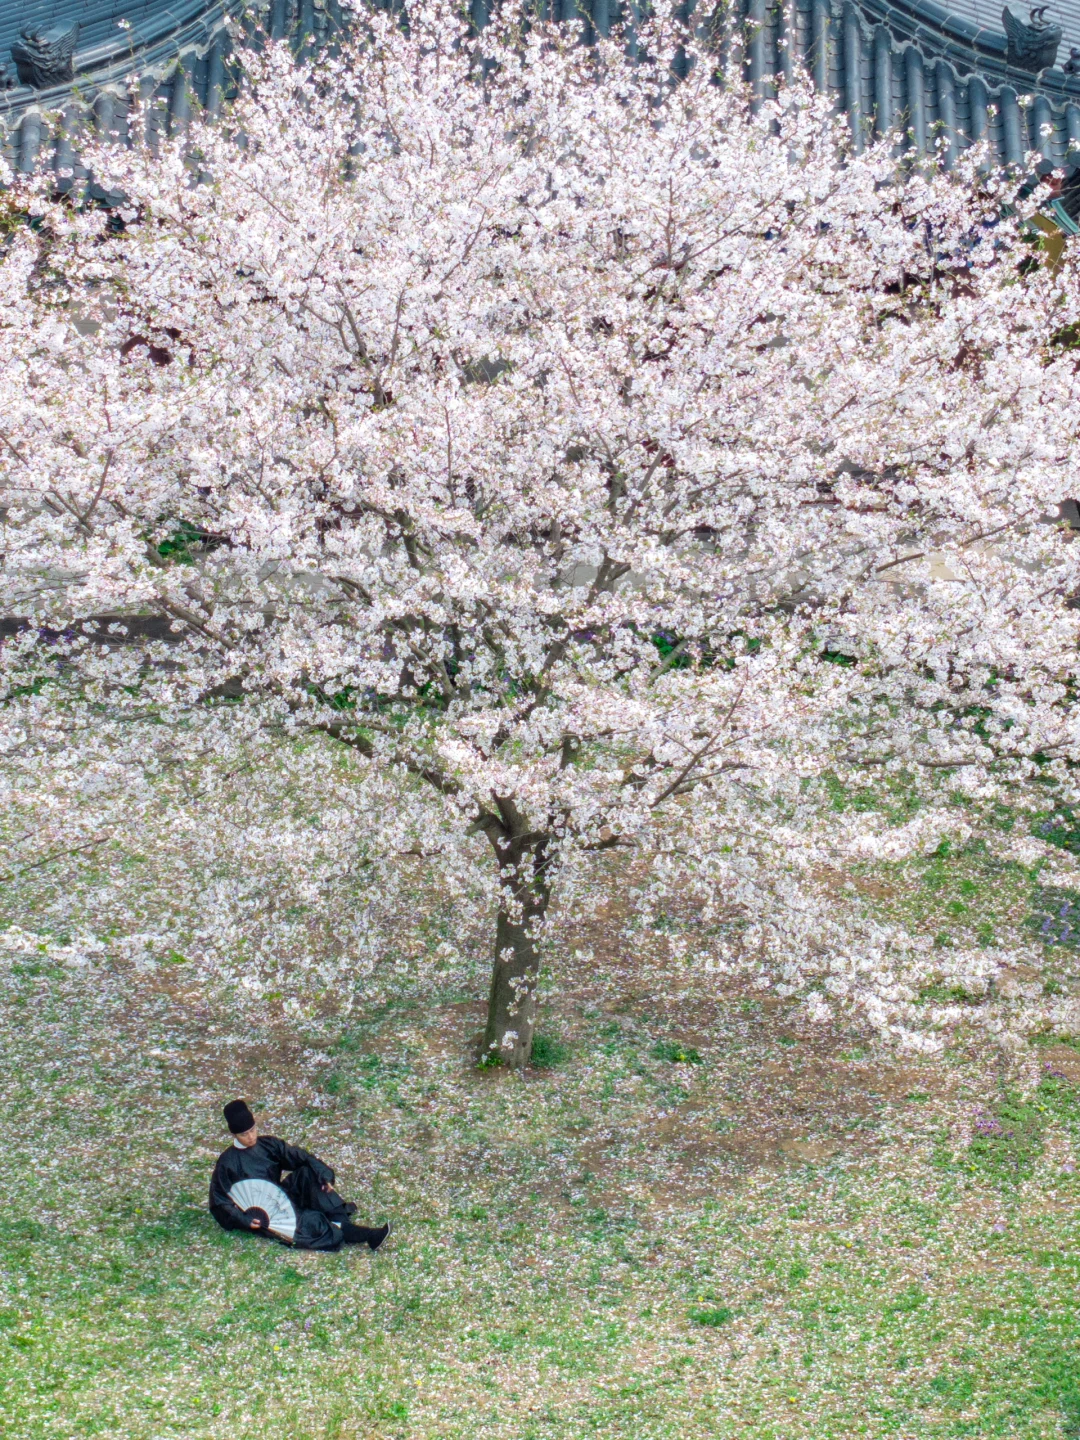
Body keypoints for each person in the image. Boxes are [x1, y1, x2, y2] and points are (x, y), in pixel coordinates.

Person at [209, 1099, 390, 1252]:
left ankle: (339, 1220)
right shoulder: (228, 1162)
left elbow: (299, 1156)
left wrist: (323, 1175)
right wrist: (244, 1219)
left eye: (253, 1130)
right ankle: (367, 1235)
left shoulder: (268, 1145)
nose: (250, 1136)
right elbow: (219, 1200)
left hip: (280, 1195)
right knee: (311, 1223)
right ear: (234, 1134)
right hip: (268, 1217)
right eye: (244, 1134)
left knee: (309, 1173)